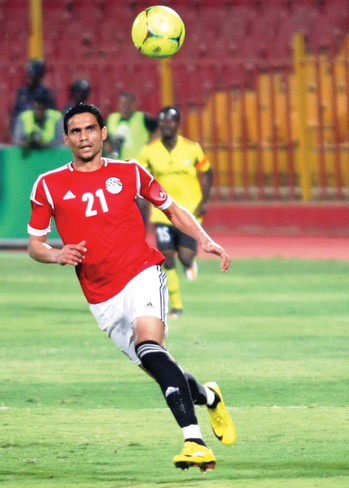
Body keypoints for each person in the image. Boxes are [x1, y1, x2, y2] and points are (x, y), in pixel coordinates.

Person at [27, 102, 236, 471]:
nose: (84, 137)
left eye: (90, 129)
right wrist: (57, 255)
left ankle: (195, 442)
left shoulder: (130, 172)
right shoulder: (48, 185)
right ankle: (209, 396)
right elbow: (35, 245)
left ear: (103, 133)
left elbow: (172, 209)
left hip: (141, 272)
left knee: (149, 344)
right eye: (76, 131)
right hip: (101, 297)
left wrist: (205, 239)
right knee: (159, 365)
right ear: (66, 139)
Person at [137, 106, 213, 319]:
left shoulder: (192, 148)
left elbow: (208, 172)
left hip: (188, 212)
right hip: (162, 213)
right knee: (167, 259)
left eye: (170, 121)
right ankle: (176, 306)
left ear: (178, 124)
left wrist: (204, 201)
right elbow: (139, 175)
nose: (166, 125)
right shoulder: (149, 151)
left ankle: (189, 264)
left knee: (186, 257)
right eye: (163, 121)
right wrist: (141, 197)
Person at [105, 92, 157, 160]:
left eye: (127, 103)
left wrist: (150, 145)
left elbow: (158, 129)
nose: (125, 106)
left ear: (133, 104)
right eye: (122, 103)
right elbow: (104, 136)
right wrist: (107, 145)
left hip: (138, 162)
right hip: (119, 162)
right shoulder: (112, 118)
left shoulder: (142, 117)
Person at [11, 59, 57, 132]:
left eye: (32, 75)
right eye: (28, 74)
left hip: (44, 133)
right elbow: (16, 115)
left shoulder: (46, 94)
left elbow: (52, 117)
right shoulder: (22, 93)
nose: (29, 77)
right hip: (24, 133)